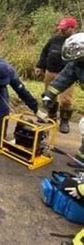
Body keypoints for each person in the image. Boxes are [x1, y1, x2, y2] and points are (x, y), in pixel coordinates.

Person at [43, 32, 84, 161]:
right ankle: (81, 158)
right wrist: (49, 95)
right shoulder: (77, 64)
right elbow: (64, 78)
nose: (75, 62)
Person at [35, 17, 78, 133]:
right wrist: (40, 66)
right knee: (50, 96)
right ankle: (51, 117)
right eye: (61, 29)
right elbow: (44, 52)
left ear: (73, 28)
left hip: (67, 76)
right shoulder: (54, 39)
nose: (61, 31)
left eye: (64, 29)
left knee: (66, 100)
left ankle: (64, 121)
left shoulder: (77, 42)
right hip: (50, 71)